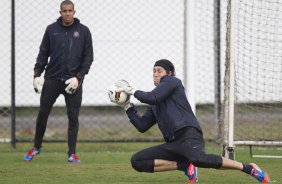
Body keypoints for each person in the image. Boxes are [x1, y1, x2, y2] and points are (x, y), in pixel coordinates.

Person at [113, 59, 270, 183]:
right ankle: (183, 166)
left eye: (158, 71)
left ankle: (249, 168)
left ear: (169, 73)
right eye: (153, 71)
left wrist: (131, 91)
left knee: (198, 159)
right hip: (173, 145)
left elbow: (152, 97)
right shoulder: (155, 102)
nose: (155, 74)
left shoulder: (173, 82)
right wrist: (127, 106)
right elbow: (142, 126)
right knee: (137, 161)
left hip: (188, 135)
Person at [24, 0, 94, 163]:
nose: (67, 14)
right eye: (64, 11)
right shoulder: (51, 30)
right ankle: (36, 147)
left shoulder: (83, 31)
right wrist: (36, 74)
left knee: (73, 117)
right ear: (60, 12)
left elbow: (88, 57)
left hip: (73, 81)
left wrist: (79, 77)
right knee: (42, 114)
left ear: (74, 12)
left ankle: (72, 153)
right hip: (52, 79)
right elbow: (43, 53)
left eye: (70, 11)